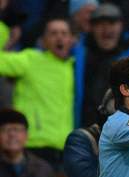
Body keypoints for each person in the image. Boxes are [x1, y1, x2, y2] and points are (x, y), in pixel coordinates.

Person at [0, 17, 74, 167]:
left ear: (71, 39)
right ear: (44, 40)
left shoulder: (75, 67)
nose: (59, 37)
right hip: (32, 145)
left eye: (64, 33)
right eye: (53, 33)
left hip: (64, 149)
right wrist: (4, 32)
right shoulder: (31, 59)